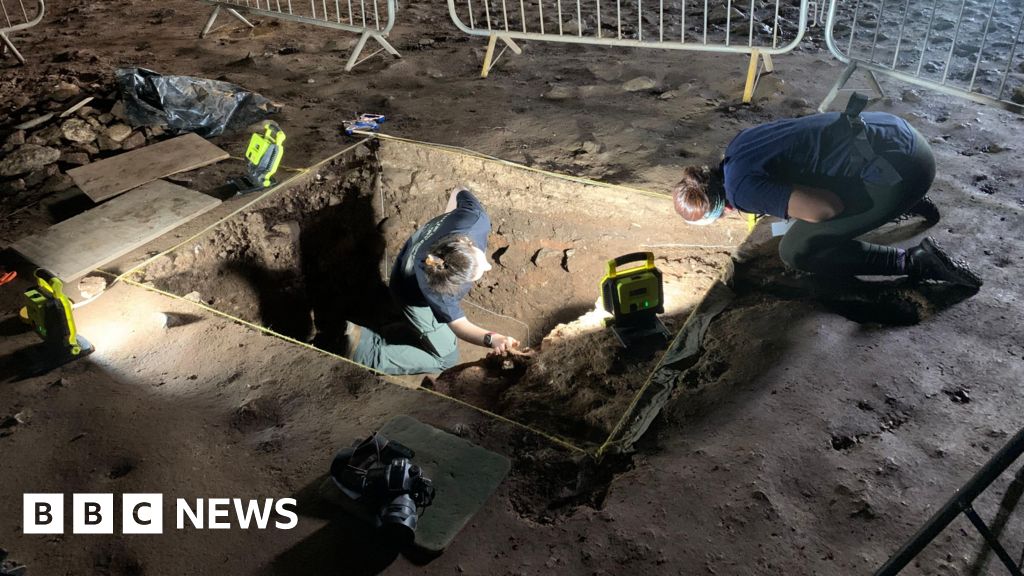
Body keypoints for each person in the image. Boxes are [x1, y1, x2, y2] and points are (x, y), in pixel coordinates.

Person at [671, 95, 982, 288]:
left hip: (905, 170)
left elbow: (826, 209)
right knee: (805, 208)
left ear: (719, 211)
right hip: (897, 135)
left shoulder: (742, 192)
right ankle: (904, 203)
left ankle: (915, 261)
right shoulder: (737, 148)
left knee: (795, 249)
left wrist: (795, 215)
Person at [341, 186, 520, 375]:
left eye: (481, 262)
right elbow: (459, 326)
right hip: (407, 293)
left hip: (404, 264)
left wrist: (448, 216)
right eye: (478, 271)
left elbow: (458, 191)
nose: (488, 267)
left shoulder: (473, 218)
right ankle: (364, 352)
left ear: (465, 243)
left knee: (432, 333)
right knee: (446, 358)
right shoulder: (439, 289)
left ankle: (387, 332)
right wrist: (493, 339)